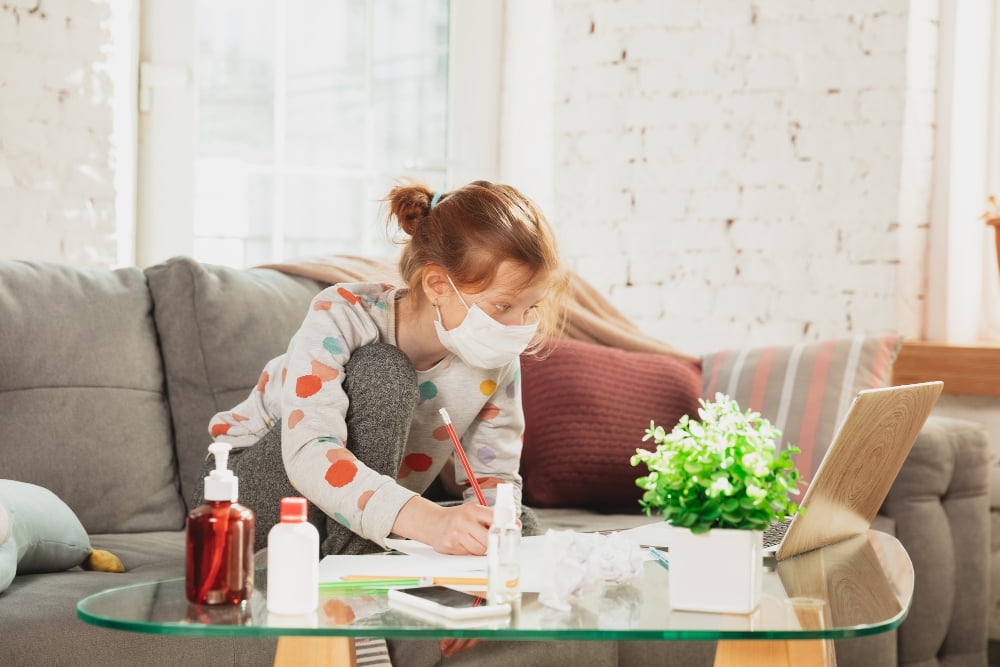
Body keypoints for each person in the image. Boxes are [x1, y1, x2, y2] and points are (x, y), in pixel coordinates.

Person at [196, 180, 567, 566]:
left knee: (515, 523)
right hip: (238, 501)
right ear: (438, 284)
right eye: (503, 306)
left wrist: (492, 528)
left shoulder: (494, 353)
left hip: (360, 504)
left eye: (530, 308)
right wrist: (430, 521)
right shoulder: (342, 313)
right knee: (384, 370)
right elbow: (308, 452)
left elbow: (495, 478)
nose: (517, 325)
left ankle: (373, 561)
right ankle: (358, 579)